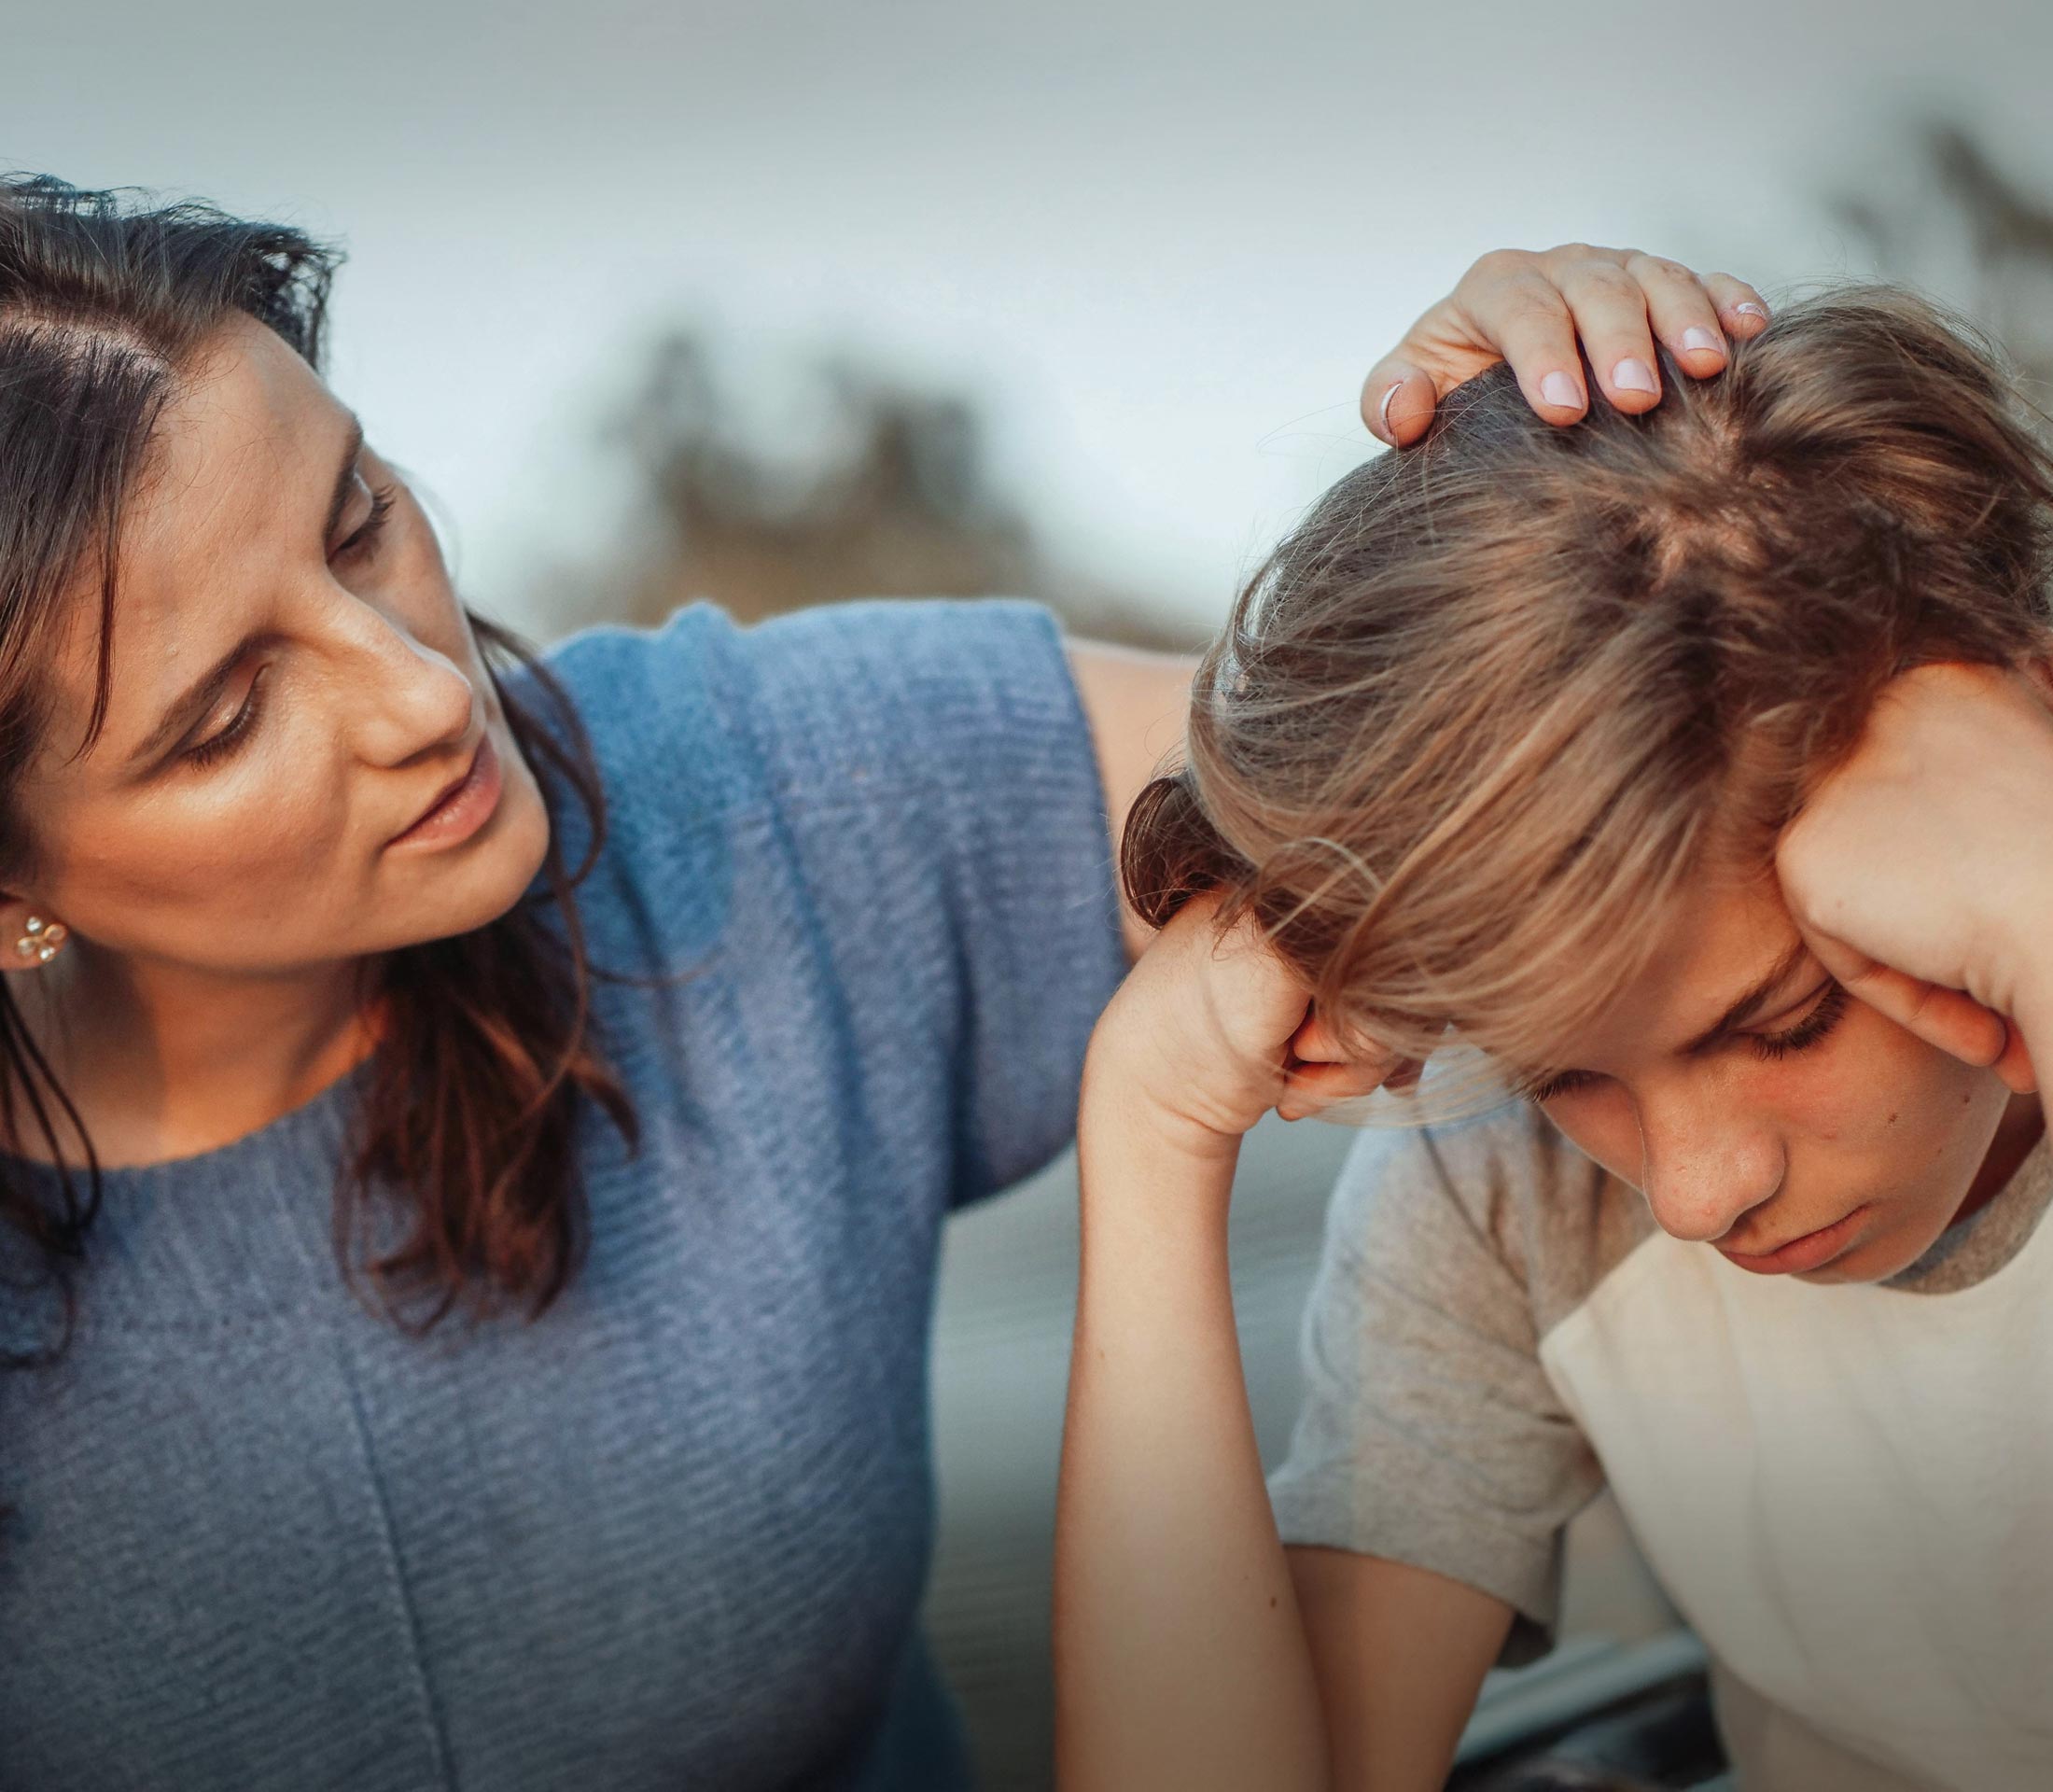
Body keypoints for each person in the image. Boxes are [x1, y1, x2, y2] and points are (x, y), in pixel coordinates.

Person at [0, 174, 1756, 1790]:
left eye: (360, 518)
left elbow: (1460, 738)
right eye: (226, 717)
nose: (423, 699)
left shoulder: (751, 797)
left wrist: (1539, 470)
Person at [1054, 287, 2053, 1791]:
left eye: (1786, 1023)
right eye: (1561, 1072)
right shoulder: (1505, 1194)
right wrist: (1146, 1125)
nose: (1696, 1193)